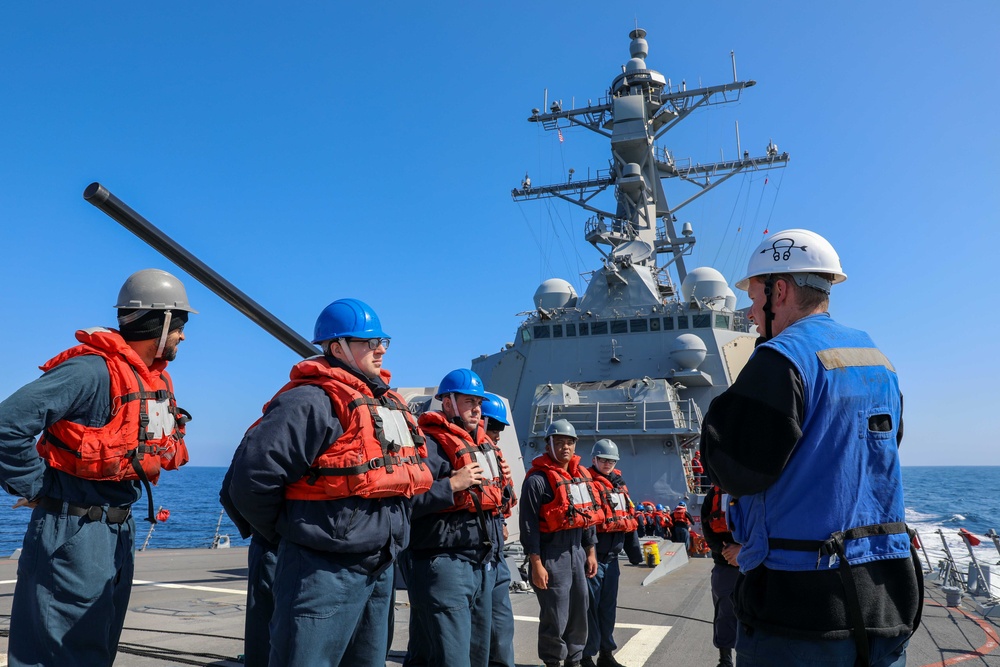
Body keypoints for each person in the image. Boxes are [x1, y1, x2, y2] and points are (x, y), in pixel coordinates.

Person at [701, 229, 921, 667]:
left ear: (778, 290)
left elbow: (733, 467)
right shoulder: (879, 360)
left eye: (754, 295)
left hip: (798, 608)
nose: (748, 312)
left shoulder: (781, 359)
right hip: (887, 595)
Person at [0, 268, 196, 667]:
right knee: (60, 654)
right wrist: (40, 488)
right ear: (158, 323)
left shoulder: (150, 380)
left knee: (95, 650)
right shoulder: (90, 371)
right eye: (179, 325)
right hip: (74, 532)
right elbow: (7, 424)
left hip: (118, 529)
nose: (182, 336)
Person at [228, 298, 433, 666]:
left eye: (382, 340)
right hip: (322, 571)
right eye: (368, 342)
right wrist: (291, 534)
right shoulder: (310, 401)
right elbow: (251, 479)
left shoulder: (385, 405)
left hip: (379, 568)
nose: (380, 349)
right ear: (336, 348)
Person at [402, 370, 515, 667]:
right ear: (448, 403)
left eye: (478, 402)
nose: (477, 408)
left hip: (482, 562)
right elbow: (406, 502)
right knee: (449, 657)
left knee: (478, 654)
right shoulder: (428, 446)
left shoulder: (482, 446)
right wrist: (450, 485)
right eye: (468, 401)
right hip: (445, 563)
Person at [520, 419, 602, 667]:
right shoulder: (537, 480)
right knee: (555, 615)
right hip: (551, 554)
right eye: (559, 442)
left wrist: (591, 551)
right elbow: (528, 525)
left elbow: (586, 517)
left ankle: (574, 661)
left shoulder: (580, 477)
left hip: (577, 550)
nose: (565, 447)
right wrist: (536, 563)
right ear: (549, 444)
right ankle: (554, 662)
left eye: (569, 442)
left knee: (580, 610)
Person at [583, 439, 642, 667]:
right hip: (593, 559)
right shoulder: (586, 484)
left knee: (607, 608)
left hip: (612, 560)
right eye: (603, 459)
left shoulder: (619, 486)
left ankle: (606, 654)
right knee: (591, 609)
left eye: (611, 460)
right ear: (594, 459)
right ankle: (586, 656)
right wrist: (589, 554)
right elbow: (586, 521)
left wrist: (635, 554)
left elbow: (628, 520)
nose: (607, 463)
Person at [221, 449, 279, 667]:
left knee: (262, 629)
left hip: (269, 544)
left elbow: (229, 492)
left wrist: (261, 530)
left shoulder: (261, 429)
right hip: (288, 546)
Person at [481, 391, 519, 667]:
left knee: (501, 618)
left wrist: (502, 522)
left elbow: (499, 497)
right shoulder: (445, 449)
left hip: (494, 545)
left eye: (500, 428)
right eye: (493, 426)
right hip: (465, 550)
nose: (497, 433)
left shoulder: (493, 456)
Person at [701, 484, 739, 667]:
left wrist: (745, 551)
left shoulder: (758, 486)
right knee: (724, 613)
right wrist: (725, 551)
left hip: (757, 563)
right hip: (725, 564)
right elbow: (707, 526)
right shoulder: (714, 494)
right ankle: (725, 660)